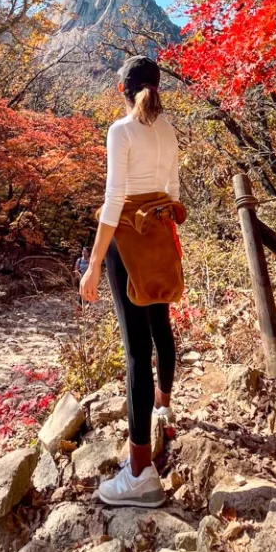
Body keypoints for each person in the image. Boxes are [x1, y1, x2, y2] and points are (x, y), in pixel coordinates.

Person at [80, 55, 184, 508]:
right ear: (156, 88)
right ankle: (164, 407)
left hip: (127, 240)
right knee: (160, 326)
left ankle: (140, 471)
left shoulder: (121, 131)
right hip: (160, 234)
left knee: (135, 351)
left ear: (123, 90)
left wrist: (95, 261)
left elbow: (114, 197)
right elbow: (174, 192)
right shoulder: (168, 131)